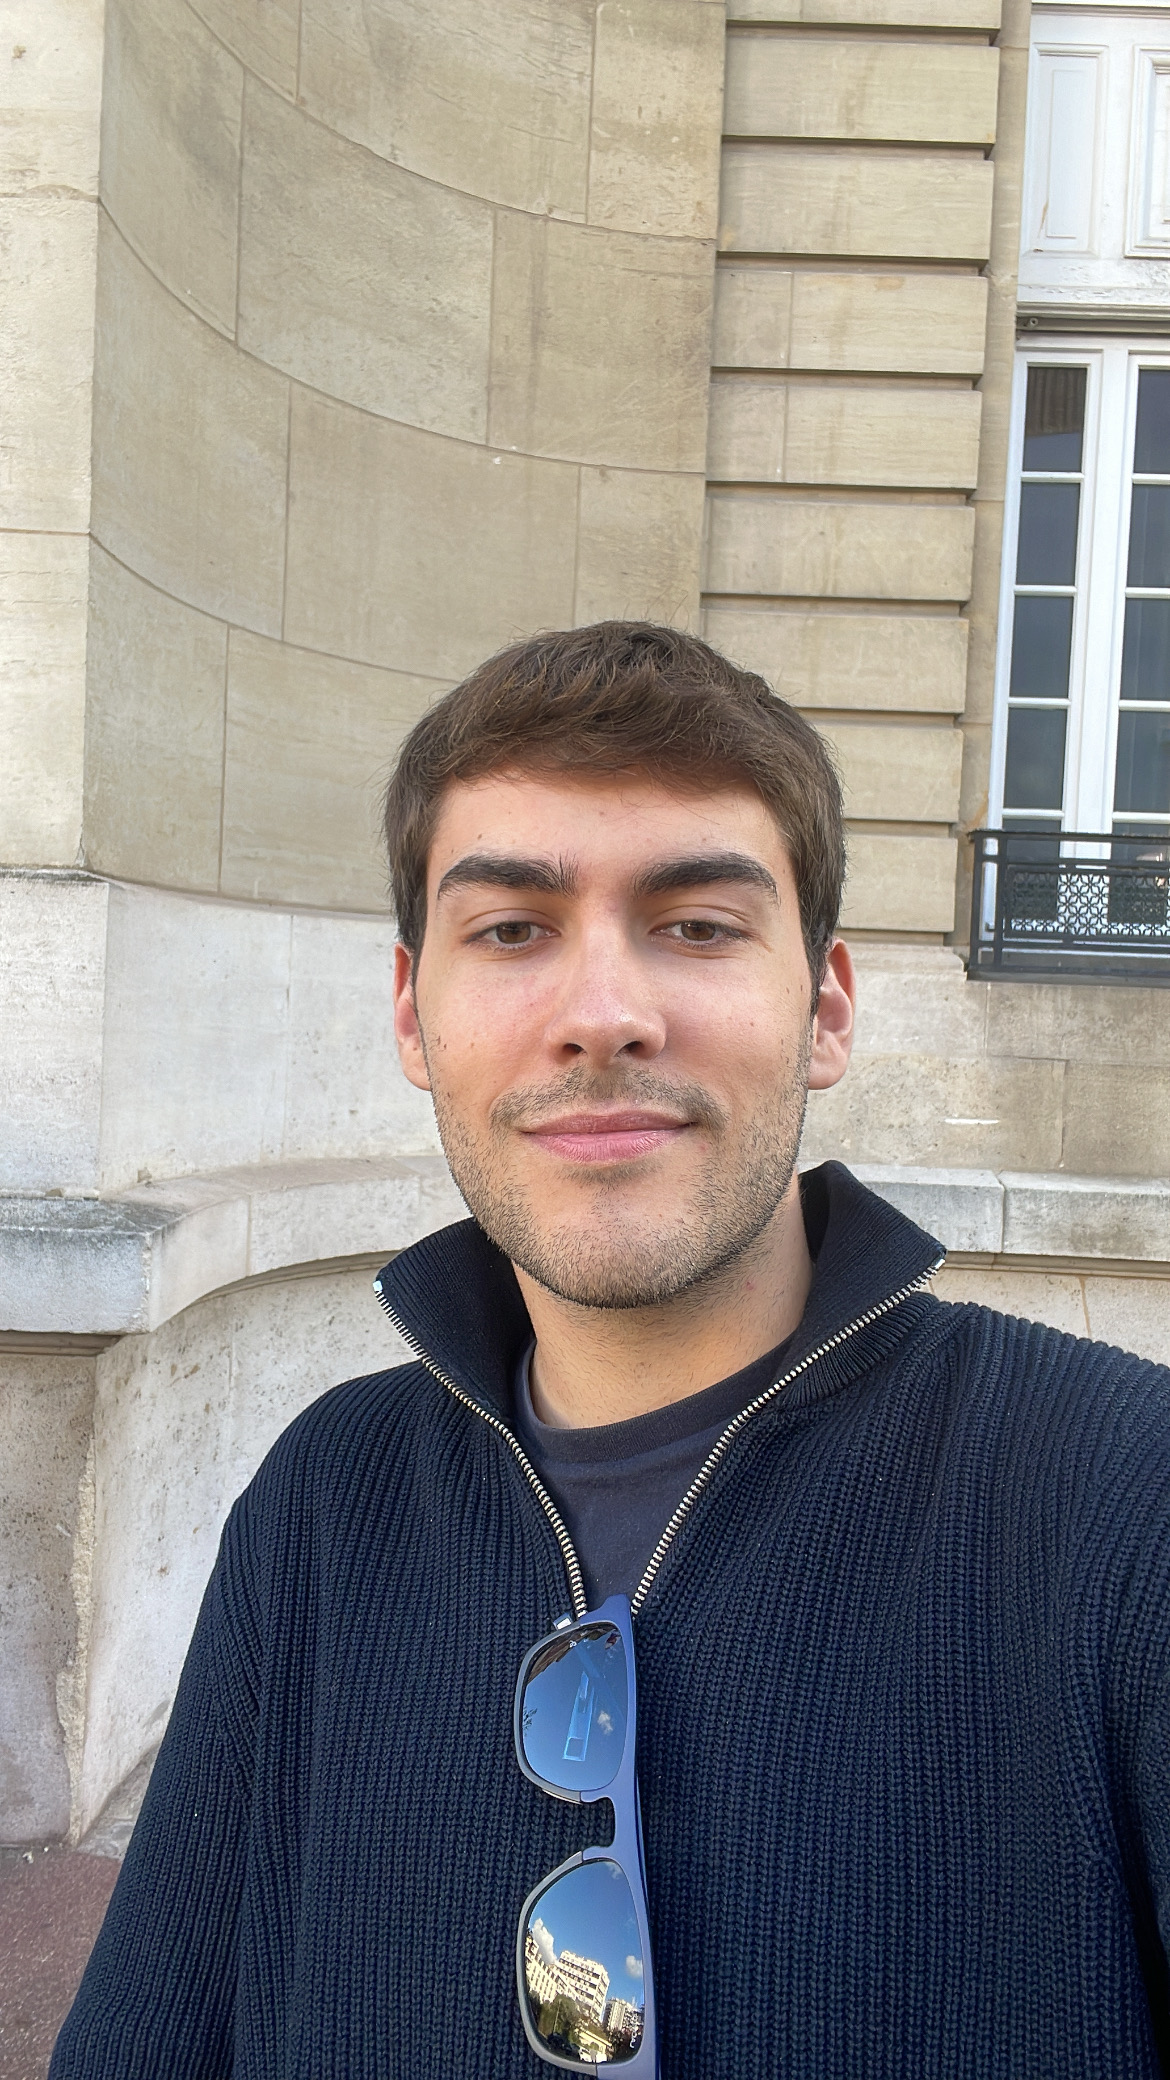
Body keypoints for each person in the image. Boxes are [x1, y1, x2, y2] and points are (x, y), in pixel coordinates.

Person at [52, 622, 1170, 2078]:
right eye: (511, 930)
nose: (601, 1017)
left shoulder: (1126, 1497)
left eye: (696, 924)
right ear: (412, 1014)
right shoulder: (324, 1504)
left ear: (825, 1010)